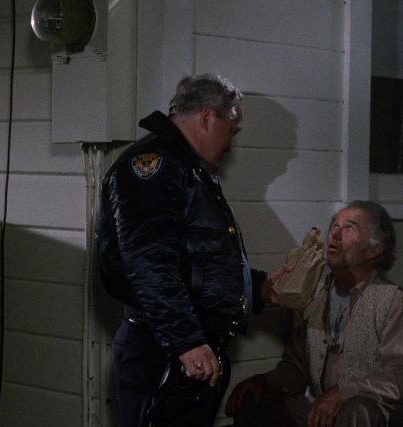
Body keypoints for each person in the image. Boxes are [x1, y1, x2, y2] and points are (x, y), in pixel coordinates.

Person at [97, 73, 288, 427]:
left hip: (182, 348)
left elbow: (194, 257)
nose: (231, 144)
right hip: (164, 350)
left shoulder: (187, 168)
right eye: (232, 130)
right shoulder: (155, 167)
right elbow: (150, 263)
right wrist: (186, 341)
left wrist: (257, 287)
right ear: (207, 117)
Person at [225, 200, 403, 427]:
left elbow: (402, 377)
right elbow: (296, 369)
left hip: (376, 410)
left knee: (356, 410)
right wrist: (265, 382)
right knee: (253, 402)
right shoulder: (313, 294)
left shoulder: (391, 300)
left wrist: (346, 391)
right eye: (335, 226)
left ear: (374, 249)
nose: (335, 234)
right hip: (323, 408)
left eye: (349, 228)